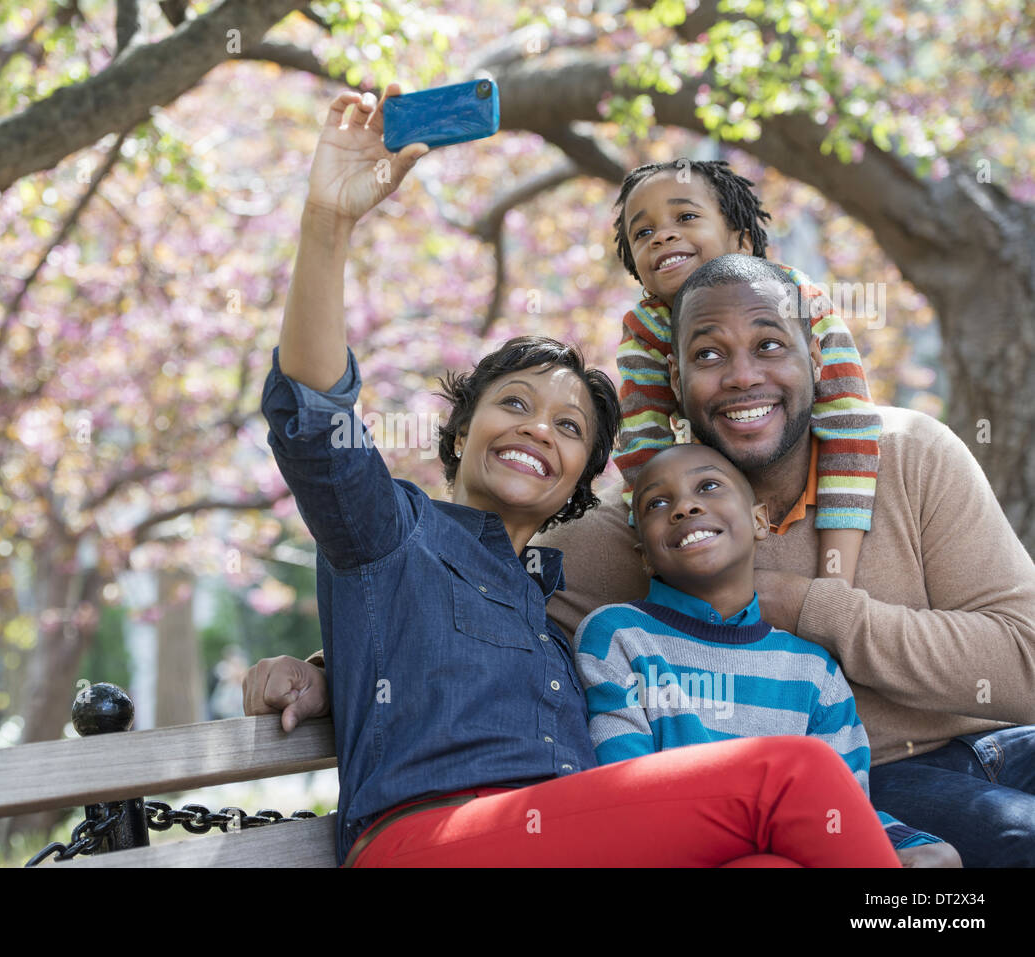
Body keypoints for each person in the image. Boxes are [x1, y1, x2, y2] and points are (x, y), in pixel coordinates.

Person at [257, 86, 903, 867]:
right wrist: (328, 223)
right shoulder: (393, 532)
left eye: (568, 428)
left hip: (564, 836)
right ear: (460, 433)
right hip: (436, 838)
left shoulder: (558, 608)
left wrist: (330, 668)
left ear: (580, 486)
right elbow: (316, 419)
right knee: (789, 774)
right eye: (515, 405)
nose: (538, 428)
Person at [539, 254, 1035, 866]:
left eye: (770, 344)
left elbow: (1028, 663)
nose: (743, 376)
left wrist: (807, 606)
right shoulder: (639, 528)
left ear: (815, 358)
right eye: (710, 355)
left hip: (1010, 741)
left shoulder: (910, 455)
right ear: (675, 375)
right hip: (875, 777)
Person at [575, 442, 959, 864]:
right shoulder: (618, 635)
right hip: (680, 851)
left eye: (708, 486)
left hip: (799, 848)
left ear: (759, 521)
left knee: (939, 859)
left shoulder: (813, 671)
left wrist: (907, 844)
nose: (684, 507)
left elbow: (842, 810)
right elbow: (624, 792)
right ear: (644, 556)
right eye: (658, 503)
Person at [611, 160, 880, 590]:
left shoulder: (795, 298)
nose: (661, 236)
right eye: (642, 233)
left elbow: (848, 424)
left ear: (742, 241)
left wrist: (834, 582)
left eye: (686, 217)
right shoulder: (645, 331)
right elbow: (645, 448)